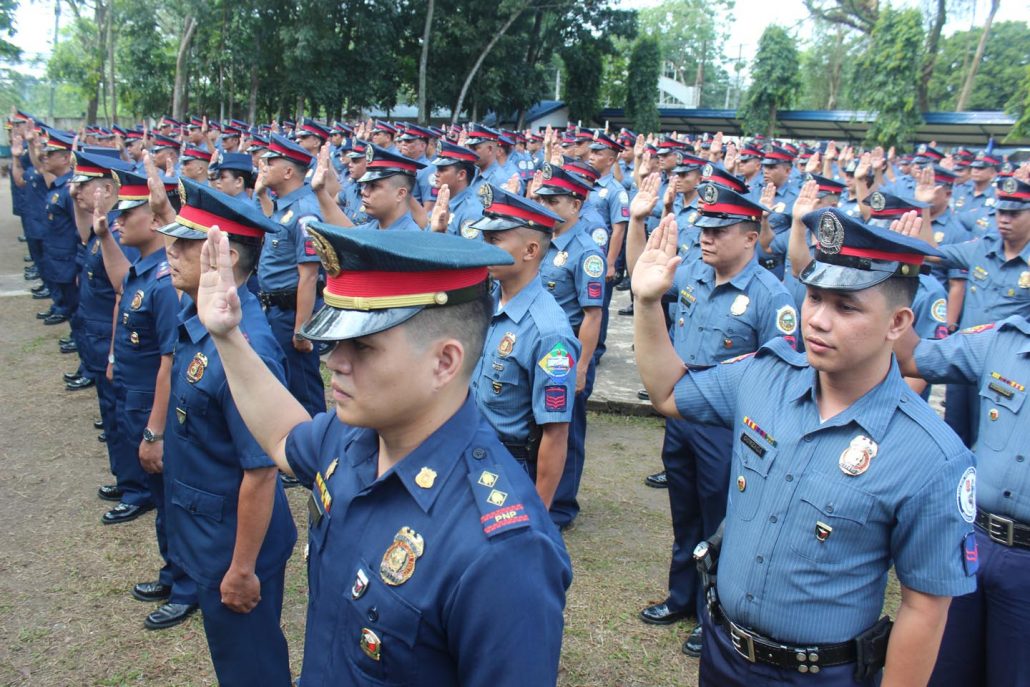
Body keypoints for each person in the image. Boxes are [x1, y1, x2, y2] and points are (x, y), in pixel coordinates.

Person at [193, 223, 572, 686]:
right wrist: (228, 337)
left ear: (444, 362)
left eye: (364, 346)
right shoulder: (356, 435)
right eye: (337, 341)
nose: (334, 360)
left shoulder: (503, 551)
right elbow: (282, 438)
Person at [633, 207, 976, 686]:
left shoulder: (931, 456)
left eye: (846, 306)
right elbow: (668, 393)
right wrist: (648, 304)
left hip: (819, 676)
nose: (817, 319)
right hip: (722, 652)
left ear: (897, 322)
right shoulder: (765, 376)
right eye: (814, 297)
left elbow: (924, 607)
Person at [628, 181, 798, 658]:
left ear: (750, 234)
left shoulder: (772, 297)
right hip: (681, 417)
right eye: (703, 227)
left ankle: (714, 618)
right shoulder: (695, 276)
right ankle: (681, 598)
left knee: (724, 525)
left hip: (730, 432)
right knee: (685, 516)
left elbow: (782, 377)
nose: (705, 237)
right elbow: (642, 274)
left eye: (719, 230)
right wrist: (638, 224)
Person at [156, 178, 297, 684]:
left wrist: (242, 568)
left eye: (185, 244)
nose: (169, 250)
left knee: (251, 668)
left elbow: (260, 474)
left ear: (227, 257)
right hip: (207, 531)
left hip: (234, 546)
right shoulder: (200, 318)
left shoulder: (247, 349)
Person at [96, 167, 199, 630]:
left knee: (173, 499)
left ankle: (187, 586)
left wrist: (155, 432)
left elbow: (168, 362)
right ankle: (172, 571)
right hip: (135, 399)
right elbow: (121, 287)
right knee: (160, 498)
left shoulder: (164, 282)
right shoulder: (145, 269)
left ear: (154, 220)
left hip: (155, 406)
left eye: (126, 214)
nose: (118, 221)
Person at [467, 184, 578, 509]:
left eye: (495, 240)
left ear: (530, 251)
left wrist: (539, 516)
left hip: (508, 467)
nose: (484, 247)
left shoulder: (549, 332)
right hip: (469, 451)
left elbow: (555, 435)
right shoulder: (489, 301)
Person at [531, 163, 606, 530]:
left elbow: (592, 316)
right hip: (536, 345)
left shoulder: (586, 251)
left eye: (554, 200)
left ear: (576, 205)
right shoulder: (540, 239)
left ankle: (561, 505)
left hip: (568, 351)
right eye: (541, 197)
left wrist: (582, 366)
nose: (545, 205)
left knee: (566, 429)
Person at [255, 133, 326, 417]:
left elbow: (309, 276)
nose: (263, 166)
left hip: (291, 313)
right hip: (276, 310)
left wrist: (301, 330)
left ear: (287, 171)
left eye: (270, 162)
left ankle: (314, 455)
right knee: (284, 386)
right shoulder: (284, 208)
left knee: (303, 391)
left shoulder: (305, 213)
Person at [428, 140, 483, 239]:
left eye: (442, 169)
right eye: (437, 169)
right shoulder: (444, 201)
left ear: (461, 175)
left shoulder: (471, 212)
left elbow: (469, 253)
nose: (436, 173)